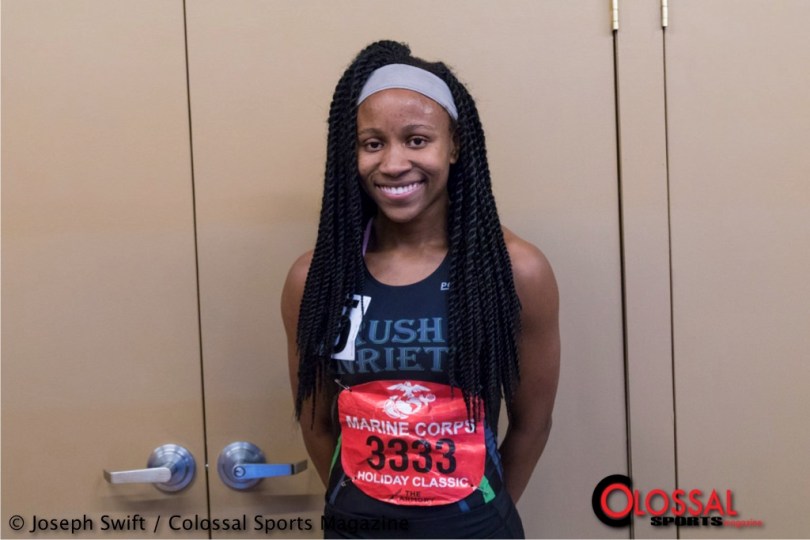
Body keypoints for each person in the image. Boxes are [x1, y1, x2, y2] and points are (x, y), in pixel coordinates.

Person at [282, 40, 560, 539]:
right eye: (372, 143)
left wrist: (476, 519)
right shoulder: (317, 280)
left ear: (454, 145)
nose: (393, 164)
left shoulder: (516, 271)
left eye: (416, 140)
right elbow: (317, 425)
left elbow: (531, 425)